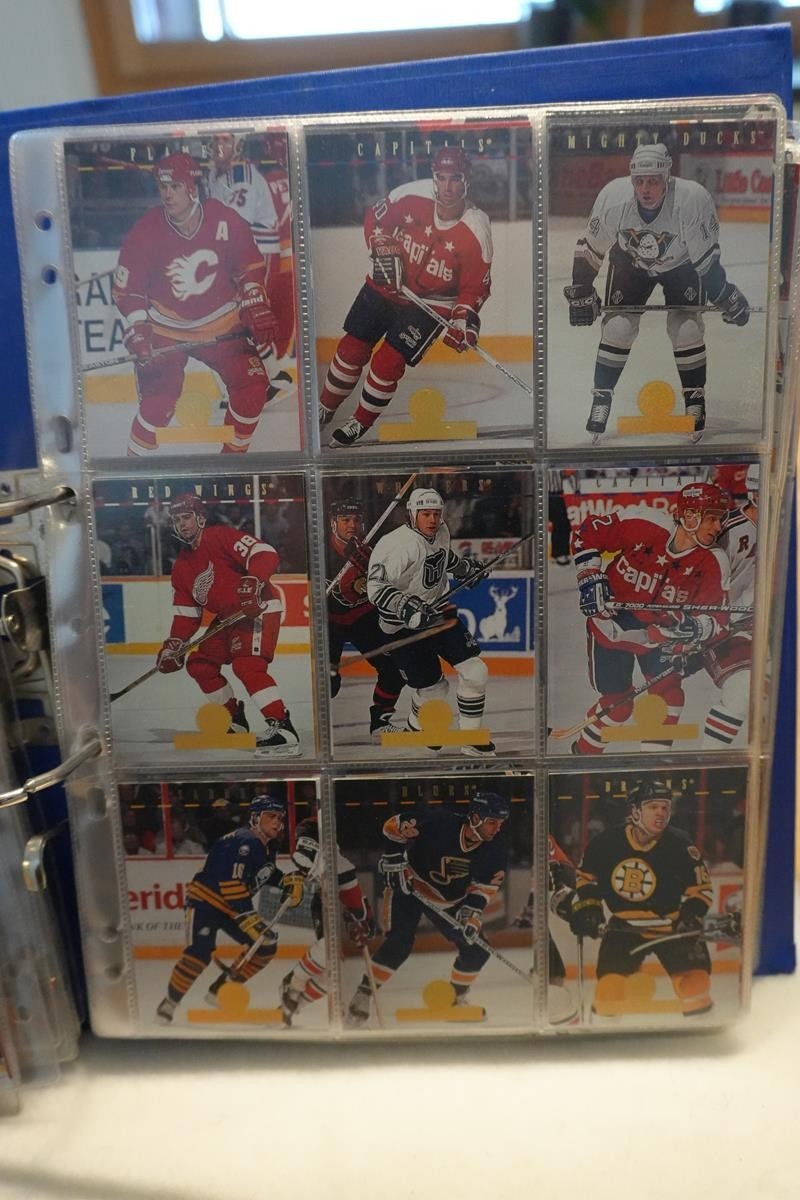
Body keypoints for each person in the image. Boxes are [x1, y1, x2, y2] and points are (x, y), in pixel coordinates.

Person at [564, 142, 750, 441]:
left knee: (686, 329)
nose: (645, 189)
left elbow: (706, 263)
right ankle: (601, 398)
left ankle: (694, 399)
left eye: (653, 181)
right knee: (618, 328)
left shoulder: (691, 200)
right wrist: (582, 289)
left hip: (682, 265)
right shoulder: (614, 197)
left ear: (667, 178)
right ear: (631, 180)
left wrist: (724, 294)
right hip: (630, 262)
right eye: (639, 181)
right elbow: (591, 248)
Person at [319, 146, 493, 446]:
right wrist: (380, 243)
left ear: (467, 181)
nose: (447, 187)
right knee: (351, 349)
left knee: (386, 363)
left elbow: (475, 286)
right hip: (386, 284)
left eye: (455, 178)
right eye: (441, 178)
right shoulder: (411, 195)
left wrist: (463, 320)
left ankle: (360, 421)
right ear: (433, 177)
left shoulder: (477, 228)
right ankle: (325, 406)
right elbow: (376, 219)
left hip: (431, 304)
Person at [112, 151, 279, 456]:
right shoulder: (147, 229)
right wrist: (138, 325)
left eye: (174, 186)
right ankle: (133, 469)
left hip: (221, 325)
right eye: (163, 187)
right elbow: (128, 288)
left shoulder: (224, 219)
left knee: (253, 390)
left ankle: (230, 467)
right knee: (158, 404)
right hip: (165, 328)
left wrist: (255, 300)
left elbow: (250, 265)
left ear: (192, 187)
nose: (167, 194)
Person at [569, 480, 731, 754]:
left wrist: (698, 627)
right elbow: (587, 532)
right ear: (690, 516)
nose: (718, 527)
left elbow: (719, 621)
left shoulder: (714, 561)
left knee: (669, 695)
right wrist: (589, 576)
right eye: (712, 518)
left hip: (662, 632)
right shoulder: (645, 522)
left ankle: (655, 768)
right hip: (612, 622)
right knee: (618, 705)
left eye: (721, 519)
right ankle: (582, 754)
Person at [345, 791, 510, 1026]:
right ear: (475, 818)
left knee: (477, 950)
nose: (497, 829)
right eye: (492, 822)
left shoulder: (495, 850)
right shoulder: (440, 822)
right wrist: (393, 856)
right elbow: (394, 825)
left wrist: (470, 914)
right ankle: (363, 994)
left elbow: (482, 888)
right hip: (409, 887)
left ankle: (455, 999)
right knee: (399, 943)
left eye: (501, 823)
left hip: (449, 901)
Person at [155, 491, 300, 756]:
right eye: (177, 520)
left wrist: (253, 580)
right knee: (200, 665)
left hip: (258, 608)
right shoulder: (182, 567)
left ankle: (283, 729)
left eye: (187, 517)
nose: (182, 524)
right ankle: (235, 720)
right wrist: (174, 644)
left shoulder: (220, 536)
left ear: (200, 518)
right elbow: (187, 615)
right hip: (227, 619)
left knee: (247, 665)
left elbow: (265, 553)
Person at [567, 780, 714, 1017]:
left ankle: (700, 1031)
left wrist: (691, 914)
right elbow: (586, 879)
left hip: (672, 926)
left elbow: (702, 888)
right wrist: (589, 908)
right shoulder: (606, 843)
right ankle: (609, 1034)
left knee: (695, 988)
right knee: (608, 994)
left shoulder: (680, 844)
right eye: (653, 807)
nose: (661, 813)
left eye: (665, 807)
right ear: (635, 811)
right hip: (624, 927)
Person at [366, 487, 492, 755]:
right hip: (401, 627)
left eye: (436, 513)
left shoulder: (441, 531)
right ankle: (417, 727)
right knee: (435, 688)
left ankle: (471, 740)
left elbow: (442, 558)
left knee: (476, 672)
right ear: (412, 514)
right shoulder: (397, 544)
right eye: (425, 514)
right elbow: (375, 588)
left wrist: (466, 569)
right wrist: (404, 605)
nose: (432, 519)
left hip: (437, 613)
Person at [155, 794, 293, 1023]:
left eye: (280, 817)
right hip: (205, 901)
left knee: (265, 946)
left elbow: (265, 873)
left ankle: (221, 989)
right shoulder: (243, 841)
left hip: (232, 908)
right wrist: (248, 917)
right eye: (271, 816)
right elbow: (231, 882)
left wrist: (287, 881)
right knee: (200, 953)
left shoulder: (267, 845)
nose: (277, 822)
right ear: (255, 817)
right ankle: (170, 1002)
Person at [207, 132, 294, 388]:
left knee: (241, 315)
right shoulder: (217, 175)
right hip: (243, 254)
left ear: (239, 145)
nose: (218, 145)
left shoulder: (242, 176)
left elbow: (233, 226)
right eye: (215, 140)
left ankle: (266, 380)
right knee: (237, 318)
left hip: (256, 254)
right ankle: (274, 376)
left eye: (225, 140)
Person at [278, 818, 375, 1027]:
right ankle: (293, 984)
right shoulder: (315, 854)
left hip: (327, 902)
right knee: (327, 951)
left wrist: (361, 919)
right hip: (321, 903)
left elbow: (355, 901)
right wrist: (361, 917)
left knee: (333, 974)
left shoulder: (339, 864)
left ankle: (296, 1003)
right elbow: (303, 857)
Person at [327, 497, 405, 739]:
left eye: (356, 520)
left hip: (363, 618)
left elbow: (390, 582)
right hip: (329, 623)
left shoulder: (373, 548)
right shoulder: (319, 552)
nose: (352, 525)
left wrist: (370, 564)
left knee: (395, 667)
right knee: (328, 684)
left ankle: (380, 721)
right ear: (333, 523)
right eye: (345, 520)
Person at [703, 462, 758, 745]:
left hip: (777, 630)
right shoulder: (728, 530)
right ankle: (706, 765)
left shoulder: (790, 526)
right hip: (730, 628)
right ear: (754, 493)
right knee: (742, 691)